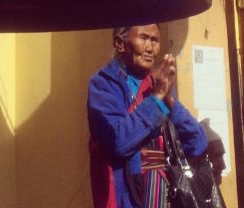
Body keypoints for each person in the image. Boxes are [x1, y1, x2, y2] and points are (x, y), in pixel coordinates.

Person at [87, 24, 208, 208]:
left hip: (166, 196)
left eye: (155, 40)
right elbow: (118, 141)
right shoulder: (103, 85)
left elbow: (197, 143)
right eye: (143, 38)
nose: (151, 48)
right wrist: (156, 98)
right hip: (125, 198)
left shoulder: (157, 84)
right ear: (120, 44)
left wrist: (170, 101)